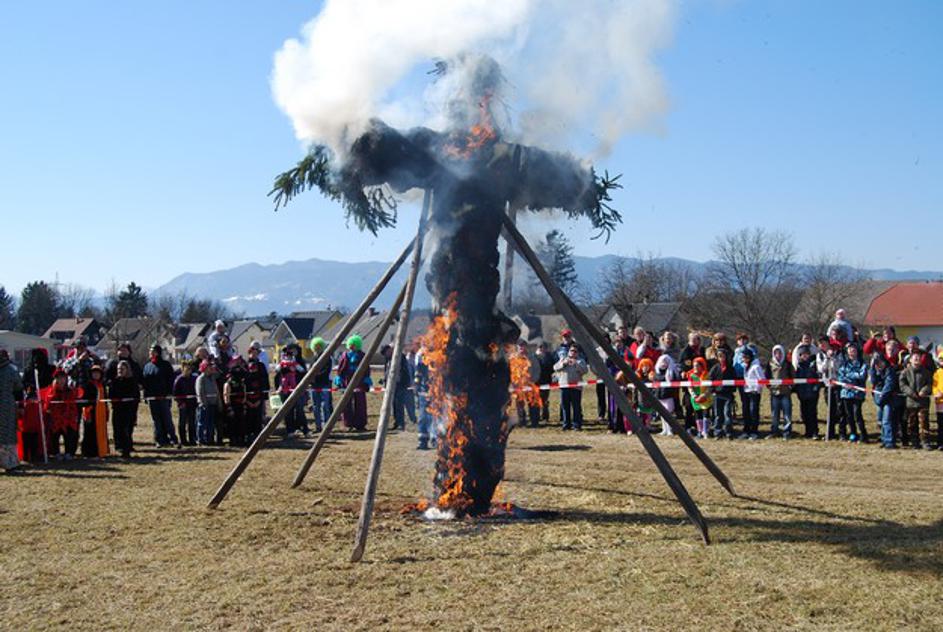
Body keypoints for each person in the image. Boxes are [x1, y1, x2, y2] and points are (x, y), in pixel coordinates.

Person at [141, 344, 179, 448]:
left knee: (167, 418)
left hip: (164, 397)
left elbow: (171, 380)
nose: (151, 353)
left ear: (158, 352)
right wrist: (145, 395)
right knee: (156, 420)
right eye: (150, 351)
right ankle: (159, 439)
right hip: (152, 398)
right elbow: (145, 383)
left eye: (153, 351)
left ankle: (173, 439)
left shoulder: (165, 365)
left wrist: (170, 393)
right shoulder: (147, 366)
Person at [898, 348, 933, 450]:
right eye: (915, 357)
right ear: (910, 360)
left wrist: (924, 390)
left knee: (924, 422)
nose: (917, 359)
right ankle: (914, 442)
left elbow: (930, 384)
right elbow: (902, 385)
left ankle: (925, 441)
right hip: (911, 402)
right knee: (912, 422)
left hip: (923, 402)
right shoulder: (905, 372)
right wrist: (911, 393)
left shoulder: (926, 372)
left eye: (918, 357)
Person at [335, 335, 371, 431]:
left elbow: (366, 368)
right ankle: (348, 423)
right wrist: (339, 378)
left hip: (359, 381)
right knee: (346, 403)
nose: (351, 346)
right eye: (350, 344)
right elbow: (341, 368)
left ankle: (360, 424)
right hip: (347, 381)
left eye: (353, 345)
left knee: (360, 403)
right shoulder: (345, 355)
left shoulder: (362, 355)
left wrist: (366, 379)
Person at [43, 368, 79, 459]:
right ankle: (56, 452)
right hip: (56, 418)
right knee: (55, 436)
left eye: (63, 378)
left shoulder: (70, 390)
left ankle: (68, 452)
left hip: (68, 418)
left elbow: (74, 403)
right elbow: (47, 405)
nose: (61, 380)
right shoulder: (51, 391)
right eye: (59, 378)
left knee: (69, 436)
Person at [837, 343, 868, 442]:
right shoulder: (844, 364)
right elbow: (841, 376)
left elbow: (862, 376)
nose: (851, 351)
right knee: (848, 415)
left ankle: (863, 434)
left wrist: (849, 376)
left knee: (857, 414)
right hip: (846, 393)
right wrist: (851, 377)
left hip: (858, 393)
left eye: (853, 349)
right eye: (849, 349)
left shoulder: (862, 363)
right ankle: (853, 433)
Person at [109, 360, 140, 458]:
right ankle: (118, 447)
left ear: (127, 370)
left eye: (122, 369)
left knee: (126, 430)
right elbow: (111, 395)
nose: (120, 371)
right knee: (117, 429)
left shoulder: (132, 382)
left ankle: (126, 449)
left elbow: (136, 397)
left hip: (128, 410)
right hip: (117, 409)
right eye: (118, 369)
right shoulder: (114, 381)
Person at [276, 347, 309, 436]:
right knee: (288, 411)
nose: (287, 357)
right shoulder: (282, 363)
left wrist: (293, 367)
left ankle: (305, 429)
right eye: (286, 355)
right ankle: (290, 430)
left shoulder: (297, 362)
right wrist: (285, 367)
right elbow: (277, 371)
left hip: (297, 389)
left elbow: (302, 371)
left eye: (289, 355)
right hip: (285, 390)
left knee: (299, 410)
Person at [554, 345, 587, 431]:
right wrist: (563, 364)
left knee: (576, 407)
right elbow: (555, 367)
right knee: (565, 407)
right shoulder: (563, 359)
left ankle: (576, 425)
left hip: (576, 388)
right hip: (564, 386)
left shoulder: (580, 361)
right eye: (571, 351)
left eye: (575, 351)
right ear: (568, 352)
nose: (573, 352)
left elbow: (585, 371)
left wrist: (576, 364)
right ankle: (566, 424)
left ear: (578, 353)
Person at [0, 348, 23, 471]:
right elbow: (19, 386)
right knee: (8, 435)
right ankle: (10, 463)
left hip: (6, 405)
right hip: (7, 405)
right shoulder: (11, 369)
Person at [679, 333, 706, 433]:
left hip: (701, 380)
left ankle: (700, 426)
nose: (694, 341)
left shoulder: (702, 350)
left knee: (701, 405)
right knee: (689, 405)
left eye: (696, 339)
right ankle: (688, 426)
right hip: (690, 381)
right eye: (692, 339)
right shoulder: (686, 351)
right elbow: (684, 365)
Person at [80, 365, 109, 458]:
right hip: (90, 411)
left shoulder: (102, 385)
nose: (96, 375)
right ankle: (88, 452)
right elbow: (84, 400)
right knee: (89, 432)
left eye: (98, 373)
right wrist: (87, 412)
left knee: (100, 432)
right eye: (94, 373)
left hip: (100, 412)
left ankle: (99, 451)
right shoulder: (87, 385)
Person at [870, 354, 898, 449]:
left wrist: (881, 398)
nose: (879, 365)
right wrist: (872, 369)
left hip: (888, 399)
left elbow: (889, 386)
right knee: (881, 421)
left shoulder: (890, 371)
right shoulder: (877, 371)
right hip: (880, 399)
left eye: (880, 362)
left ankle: (890, 441)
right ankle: (884, 439)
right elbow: (874, 382)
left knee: (887, 421)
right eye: (877, 363)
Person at [709, 348, 737, 439]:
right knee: (718, 415)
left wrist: (732, 390)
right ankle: (718, 432)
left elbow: (734, 380)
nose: (722, 358)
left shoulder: (730, 368)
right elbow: (710, 380)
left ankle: (728, 432)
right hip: (717, 394)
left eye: (723, 356)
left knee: (727, 414)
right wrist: (712, 391)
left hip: (728, 395)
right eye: (719, 356)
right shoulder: (715, 368)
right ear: (717, 357)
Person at [767, 345, 794, 440]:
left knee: (787, 414)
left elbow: (792, 376)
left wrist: (791, 387)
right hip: (774, 392)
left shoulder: (787, 363)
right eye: (776, 353)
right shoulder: (770, 363)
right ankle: (774, 431)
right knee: (775, 414)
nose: (778, 355)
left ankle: (787, 432)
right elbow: (767, 376)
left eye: (779, 353)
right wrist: (769, 386)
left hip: (785, 392)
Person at [794, 348, 821, 439]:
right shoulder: (799, 366)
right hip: (802, 394)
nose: (805, 356)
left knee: (812, 413)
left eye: (806, 354)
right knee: (804, 414)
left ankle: (814, 432)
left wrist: (816, 388)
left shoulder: (814, 364)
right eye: (803, 354)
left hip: (812, 393)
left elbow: (818, 377)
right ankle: (808, 431)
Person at [514, 340, 541, 428]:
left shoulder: (532, 358)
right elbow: (511, 371)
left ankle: (534, 422)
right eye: (519, 346)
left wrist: (533, 381)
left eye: (523, 346)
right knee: (519, 405)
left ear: (526, 347)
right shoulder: (513, 359)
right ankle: (521, 422)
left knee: (533, 403)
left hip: (530, 385)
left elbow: (537, 370)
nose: (521, 348)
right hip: (518, 386)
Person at [307, 338, 332, 432]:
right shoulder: (313, 358)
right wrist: (310, 379)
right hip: (314, 386)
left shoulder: (327, 358)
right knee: (315, 406)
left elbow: (326, 371)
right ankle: (318, 426)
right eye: (316, 346)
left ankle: (326, 427)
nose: (317, 348)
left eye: (319, 346)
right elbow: (310, 370)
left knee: (325, 406)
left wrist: (315, 377)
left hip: (324, 384)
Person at [16, 384, 46, 463]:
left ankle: (33, 456)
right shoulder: (24, 402)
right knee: (26, 445)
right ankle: (27, 457)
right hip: (26, 429)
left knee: (34, 445)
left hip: (34, 429)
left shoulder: (37, 403)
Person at [685, 357, 713, 439]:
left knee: (706, 413)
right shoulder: (691, 375)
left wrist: (704, 395)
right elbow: (689, 387)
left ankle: (706, 431)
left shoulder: (706, 375)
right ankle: (700, 431)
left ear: (701, 366)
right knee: (698, 414)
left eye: (697, 366)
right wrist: (694, 396)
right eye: (694, 366)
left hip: (705, 397)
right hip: (695, 397)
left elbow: (709, 387)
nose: (695, 368)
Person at [224, 357, 249, 446]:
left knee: (241, 423)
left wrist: (244, 403)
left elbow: (245, 393)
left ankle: (241, 439)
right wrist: (229, 407)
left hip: (240, 404)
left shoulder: (242, 383)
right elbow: (226, 395)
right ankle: (233, 440)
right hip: (233, 405)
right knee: (232, 423)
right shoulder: (228, 383)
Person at [653, 354, 680, 436]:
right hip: (659, 396)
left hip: (669, 396)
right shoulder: (657, 372)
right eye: (662, 362)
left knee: (668, 413)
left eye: (666, 362)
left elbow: (675, 383)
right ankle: (664, 429)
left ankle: (670, 430)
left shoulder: (672, 372)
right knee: (661, 413)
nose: (664, 364)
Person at [739, 348, 764, 440]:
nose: (743, 359)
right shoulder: (745, 366)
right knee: (746, 411)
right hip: (746, 391)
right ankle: (746, 430)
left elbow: (762, 379)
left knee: (753, 411)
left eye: (745, 357)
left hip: (754, 392)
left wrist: (757, 388)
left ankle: (754, 431)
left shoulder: (756, 367)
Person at [245, 356, 270, 442]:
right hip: (248, 403)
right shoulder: (246, 379)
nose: (253, 370)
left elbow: (263, 391)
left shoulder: (260, 378)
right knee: (249, 420)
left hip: (258, 402)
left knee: (258, 419)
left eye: (254, 368)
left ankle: (258, 436)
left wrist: (259, 401)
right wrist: (248, 402)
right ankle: (249, 436)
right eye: (251, 368)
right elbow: (244, 392)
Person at [173, 360, 198, 446]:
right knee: (182, 422)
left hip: (192, 404)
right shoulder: (179, 380)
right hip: (183, 404)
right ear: (183, 369)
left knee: (192, 422)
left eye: (190, 369)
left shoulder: (194, 379)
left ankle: (192, 439)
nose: (188, 371)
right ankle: (183, 440)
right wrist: (180, 402)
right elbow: (175, 394)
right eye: (187, 369)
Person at [195, 360, 220, 446]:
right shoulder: (201, 378)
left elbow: (216, 390)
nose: (211, 368)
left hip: (213, 404)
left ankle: (209, 439)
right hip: (204, 405)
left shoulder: (212, 378)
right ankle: (200, 439)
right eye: (209, 367)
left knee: (211, 423)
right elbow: (200, 392)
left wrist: (218, 402)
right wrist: (203, 403)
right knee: (202, 423)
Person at [414, 345, 433, 449]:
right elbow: (418, 373)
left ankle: (437, 440)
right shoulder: (422, 355)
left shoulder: (441, 352)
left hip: (438, 391)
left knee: (437, 416)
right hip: (424, 390)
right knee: (423, 417)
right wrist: (417, 385)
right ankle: (423, 441)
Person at [535, 341, 555, 423]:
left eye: (543, 347)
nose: (542, 349)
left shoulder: (549, 357)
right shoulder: (535, 356)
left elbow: (552, 368)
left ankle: (545, 416)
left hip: (546, 381)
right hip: (536, 381)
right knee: (536, 400)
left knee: (544, 400)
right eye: (540, 347)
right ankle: (536, 416)